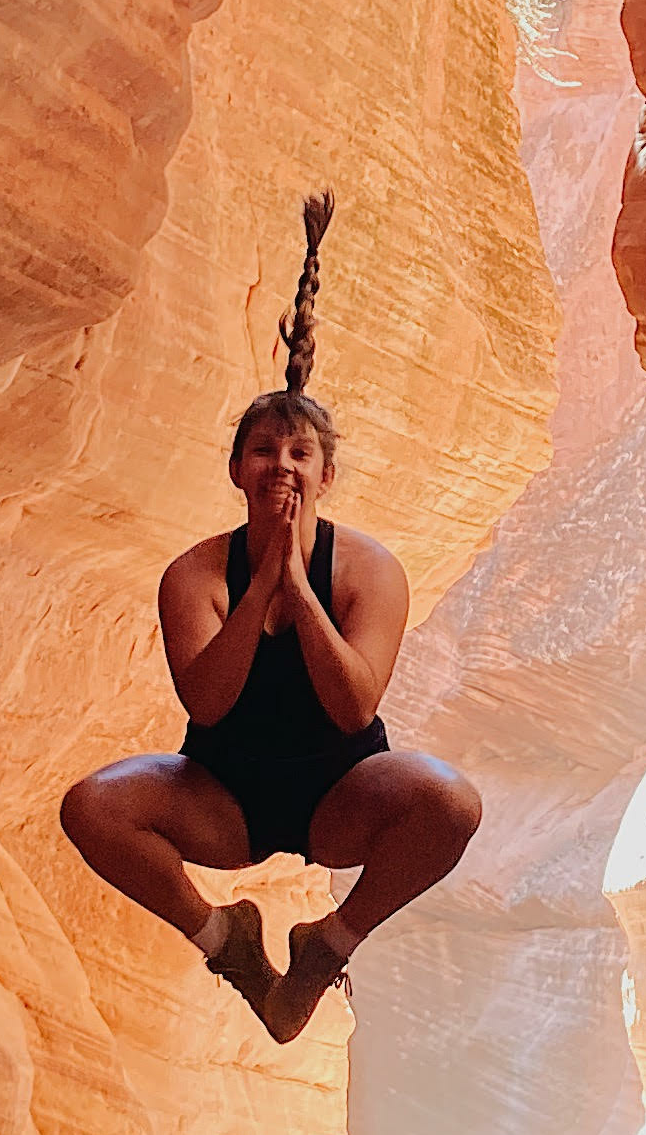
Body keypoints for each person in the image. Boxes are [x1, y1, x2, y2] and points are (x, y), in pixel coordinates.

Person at [58, 192, 483, 1044]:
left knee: (453, 806)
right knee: (90, 808)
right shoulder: (198, 573)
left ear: (327, 475)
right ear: (236, 468)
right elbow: (207, 705)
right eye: (263, 451)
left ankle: (326, 949)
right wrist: (262, 588)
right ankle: (232, 948)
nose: (280, 466)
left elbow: (356, 708)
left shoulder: (369, 569)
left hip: (341, 796)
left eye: (299, 454)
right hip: (226, 797)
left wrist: (301, 583)